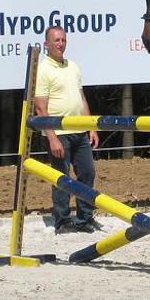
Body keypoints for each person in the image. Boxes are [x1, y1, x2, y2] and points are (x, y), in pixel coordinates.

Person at [34, 25, 101, 235]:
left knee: (87, 172)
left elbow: (81, 98)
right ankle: (62, 221)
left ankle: (84, 218)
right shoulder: (43, 69)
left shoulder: (73, 66)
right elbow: (40, 107)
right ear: (46, 44)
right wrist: (51, 137)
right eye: (56, 40)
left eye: (63, 40)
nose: (60, 44)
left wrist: (91, 127)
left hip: (79, 131)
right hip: (59, 133)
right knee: (61, 177)